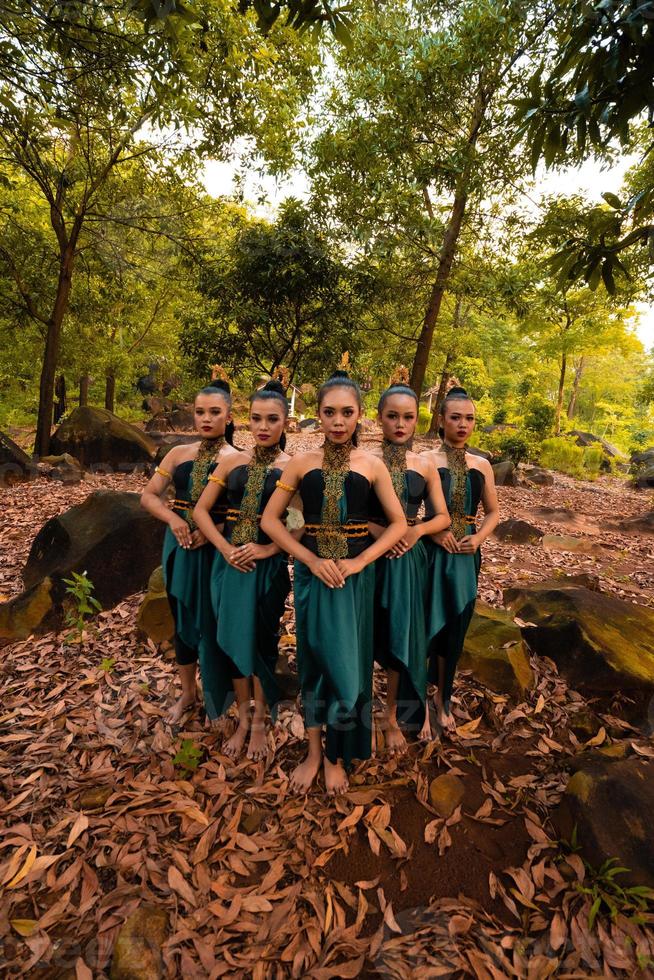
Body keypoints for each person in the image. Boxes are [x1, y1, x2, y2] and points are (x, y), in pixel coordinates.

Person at [261, 367, 407, 796]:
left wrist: (361, 562)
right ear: (318, 415)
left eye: (347, 412)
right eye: (329, 412)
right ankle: (313, 752)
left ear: (361, 415)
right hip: (313, 576)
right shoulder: (302, 464)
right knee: (314, 660)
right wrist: (307, 557)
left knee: (351, 666)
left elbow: (398, 525)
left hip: (355, 581)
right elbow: (270, 520)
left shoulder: (373, 465)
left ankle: (337, 753)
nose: (339, 421)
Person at [193, 379, 292, 761]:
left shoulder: (292, 468)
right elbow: (201, 510)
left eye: (272, 419)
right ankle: (242, 717)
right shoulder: (232, 460)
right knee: (231, 641)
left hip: (268, 570)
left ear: (286, 422)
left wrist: (268, 549)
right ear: (246, 420)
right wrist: (224, 548)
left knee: (263, 643)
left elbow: (297, 521)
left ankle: (260, 722)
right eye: (256, 419)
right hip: (228, 567)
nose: (263, 427)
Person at [140, 377, 239, 723]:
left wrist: (217, 530)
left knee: (213, 619)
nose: (206, 418)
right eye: (200, 412)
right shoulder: (178, 453)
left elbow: (251, 511)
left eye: (215, 412)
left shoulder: (239, 459)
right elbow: (149, 496)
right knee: (181, 616)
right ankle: (187, 693)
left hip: (218, 548)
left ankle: (220, 698)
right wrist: (174, 520)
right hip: (180, 543)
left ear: (229, 416)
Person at [368, 368, 450, 752]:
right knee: (365, 634)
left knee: (400, 632)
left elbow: (443, 516)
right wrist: (383, 534)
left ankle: (390, 716)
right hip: (366, 555)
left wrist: (414, 532)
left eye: (408, 417)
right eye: (392, 416)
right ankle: (360, 711)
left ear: (418, 420)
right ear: (378, 418)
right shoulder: (362, 459)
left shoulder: (425, 464)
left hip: (407, 560)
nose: (400, 424)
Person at [419, 385, 499, 738]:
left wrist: (478, 538)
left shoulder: (482, 465)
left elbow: (493, 513)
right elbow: (406, 511)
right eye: (456, 418)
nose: (463, 425)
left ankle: (443, 698)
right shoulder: (424, 461)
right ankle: (418, 700)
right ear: (442, 420)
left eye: (469, 419)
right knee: (425, 626)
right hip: (430, 555)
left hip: (466, 555)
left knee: (456, 626)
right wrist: (431, 532)